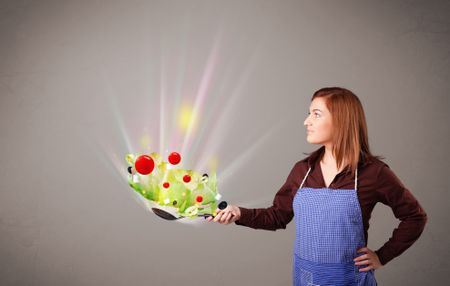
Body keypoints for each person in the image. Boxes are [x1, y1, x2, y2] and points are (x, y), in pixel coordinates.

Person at [206, 87, 428, 286]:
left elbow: (415, 217)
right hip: (306, 278)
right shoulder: (302, 171)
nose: (306, 121)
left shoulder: (374, 172)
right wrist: (238, 213)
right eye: (309, 113)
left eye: (316, 114)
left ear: (341, 120)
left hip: (349, 280)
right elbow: (277, 216)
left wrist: (382, 256)